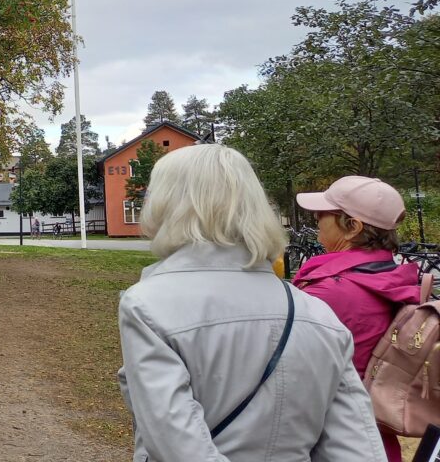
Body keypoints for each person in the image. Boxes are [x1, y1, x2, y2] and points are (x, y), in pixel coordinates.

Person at [118, 145, 386, 461]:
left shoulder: (149, 306)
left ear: (165, 204)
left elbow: (176, 445)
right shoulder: (318, 314)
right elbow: (358, 449)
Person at [294, 176, 420, 462]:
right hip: (373, 439)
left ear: (353, 227)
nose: (317, 219)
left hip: (328, 440)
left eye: (324, 214)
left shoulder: (329, 292)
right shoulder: (390, 277)